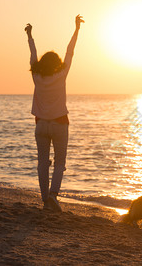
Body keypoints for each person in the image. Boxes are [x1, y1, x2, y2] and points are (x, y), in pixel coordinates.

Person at [25, 15, 84, 212]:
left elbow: (32, 55)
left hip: (41, 125)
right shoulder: (61, 74)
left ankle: (44, 199)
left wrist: (30, 36)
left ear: (42, 63)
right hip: (60, 123)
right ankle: (53, 196)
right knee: (60, 163)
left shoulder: (36, 75)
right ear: (57, 63)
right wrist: (76, 29)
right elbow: (70, 51)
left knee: (42, 162)